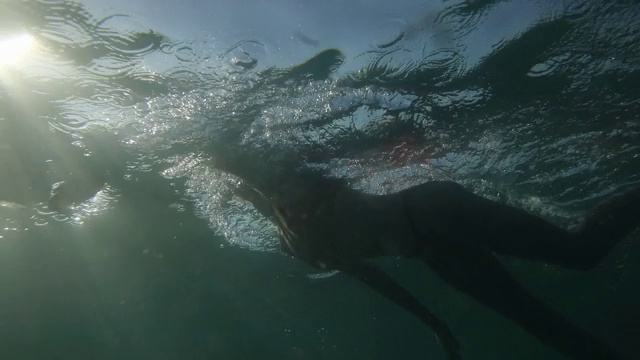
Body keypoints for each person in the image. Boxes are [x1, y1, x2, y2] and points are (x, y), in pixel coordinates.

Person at [226, 162, 640, 360]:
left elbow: (257, 175)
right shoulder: (305, 248)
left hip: (432, 208)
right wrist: (438, 326)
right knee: (535, 321)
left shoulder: (290, 184)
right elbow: (383, 285)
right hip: (429, 249)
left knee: (581, 254)